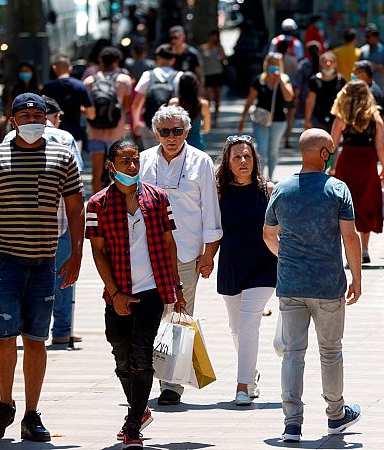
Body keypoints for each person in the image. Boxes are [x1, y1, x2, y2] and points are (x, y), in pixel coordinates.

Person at [0, 93, 84, 442]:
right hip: (4, 261)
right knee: (5, 338)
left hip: (43, 262)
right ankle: (5, 404)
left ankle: (32, 414)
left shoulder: (62, 156)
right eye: (26, 114)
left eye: (39, 114)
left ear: (49, 119)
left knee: (36, 339)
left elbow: (76, 208)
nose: (34, 120)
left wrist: (76, 254)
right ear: (12, 119)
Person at [263, 128, 363, 443]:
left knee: (293, 353)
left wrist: (287, 257)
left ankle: (292, 423)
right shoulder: (337, 189)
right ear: (322, 153)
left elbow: (268, 234)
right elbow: (350, 236)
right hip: (328, 283)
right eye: (330, 150)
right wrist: (357, 277)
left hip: (291, 284)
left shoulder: (282, 189)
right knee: (330, 352)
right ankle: (336, 415)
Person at [86, 139, 186, 449]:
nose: (131, 166)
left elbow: (169, 243)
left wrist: (176, 287)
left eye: (135, 160)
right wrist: (114, 292)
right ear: (111, 165)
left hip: (151, 291)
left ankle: (133, 425)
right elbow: (98, 252)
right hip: (117, 292)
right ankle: (140, 409)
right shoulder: (97, 204)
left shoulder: (158, 198)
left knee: (143, 355)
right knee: (121, 355)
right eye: (125, 161)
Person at [139, 105, 222, 405]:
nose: (171, 137)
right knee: (149, 313)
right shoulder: (144, 161)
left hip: (187, 251)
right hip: (147, 252)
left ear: (187, 132)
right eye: (165, 132)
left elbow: (210, 211)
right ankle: (146, 372)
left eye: (177, 131)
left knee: (178, 314)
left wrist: (208, 253)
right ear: (156, 133)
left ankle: (172, 383)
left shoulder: (201, 161)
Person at [1, 96, 85, 345]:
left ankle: (23, 329)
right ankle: (61, 331)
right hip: (59, 222)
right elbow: (76, 185)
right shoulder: (65, 138)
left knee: (24, 279)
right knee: (64, 278)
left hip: (17, 228)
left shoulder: (8, 139)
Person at [213, 135, 277, 406]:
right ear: (228, 161)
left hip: (264, 266)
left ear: (255, 161)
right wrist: (205, 258)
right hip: (231, 265)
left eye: (247, 156)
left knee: (249, 325)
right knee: (237, 328)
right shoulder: (218, 192)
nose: (242, 161)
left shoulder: (268, 190)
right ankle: (251, 372)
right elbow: (211, 229)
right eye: (237, 156)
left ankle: (242, 386)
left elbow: (281, 227)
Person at [330, 80, 384, 264]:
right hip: (367, 162)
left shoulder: (341, 117)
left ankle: (347, 248)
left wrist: (327, 166)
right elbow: (380, 147)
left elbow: (332, 145)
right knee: (366, 202)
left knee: (346, 203)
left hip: (347, 161)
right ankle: (364, 249)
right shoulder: (375, 118)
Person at [84, 46, 133, 193]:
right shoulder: (124, 79)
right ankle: (118, 203)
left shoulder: (89, 81)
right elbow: (126, 106)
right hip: (116, 132)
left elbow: (86, 108)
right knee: (119, 171)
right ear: (117, 60)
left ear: (100, 60)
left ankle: (96, 205)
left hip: (95, 131)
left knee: (96, 173)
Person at [238, 53, 294, 180]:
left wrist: (280, 80)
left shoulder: (285, 79)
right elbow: (249, 100)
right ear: (266, 64)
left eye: (276, 63)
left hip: (278, 121)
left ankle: (270, 178)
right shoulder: (259, 80)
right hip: (261, 120)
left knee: (273, 150)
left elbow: (289, 97)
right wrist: (242, 119)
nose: (274, 66)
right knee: (261, 150)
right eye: (271, 63)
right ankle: (260, 178)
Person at [132, 44, 182, 150]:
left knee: (151, 157)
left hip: (151, 124)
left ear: (158, 58)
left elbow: (137, 102)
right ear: (173, 60)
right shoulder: (180, 76)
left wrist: (136, 123)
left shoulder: (148, 75)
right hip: (173, 127)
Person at [41, 56, 95, 150]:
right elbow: (91, 114)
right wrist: (81, 109)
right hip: (74, 136)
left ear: (54, 68)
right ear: (70, 68)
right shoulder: (80, 86)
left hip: (52, 136)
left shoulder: (47, 87)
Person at [304, 51, 346, 131]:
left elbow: (344, 100)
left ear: (335, 64)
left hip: (336, 117)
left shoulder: (341, 80)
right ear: (320, 63)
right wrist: (307, 120)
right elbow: (310, 101)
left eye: (331, 61)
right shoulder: (314, 80)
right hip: (318, 118)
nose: (328, 64)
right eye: (325, 61)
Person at [169, 72, 210, 150]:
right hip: (197, 144)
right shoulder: (203, 104)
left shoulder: (174, 103)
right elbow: (206, 128)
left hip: (178, 145)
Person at [199, 30, 227, 126]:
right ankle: (208, 118)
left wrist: (219, 51)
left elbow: (224, 58)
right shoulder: (203, 48)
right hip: (207, 74)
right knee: (208, 96)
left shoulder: (219, 47)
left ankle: (216, 117)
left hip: (217, 73)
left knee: (217, 97)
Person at [359, 23, 384, 95]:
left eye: (369, 36)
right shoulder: (363, 50)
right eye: (366, 36)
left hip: (381, 92)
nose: (367, 38)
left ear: (376, 36)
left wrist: (376, 67)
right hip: (366, 93)